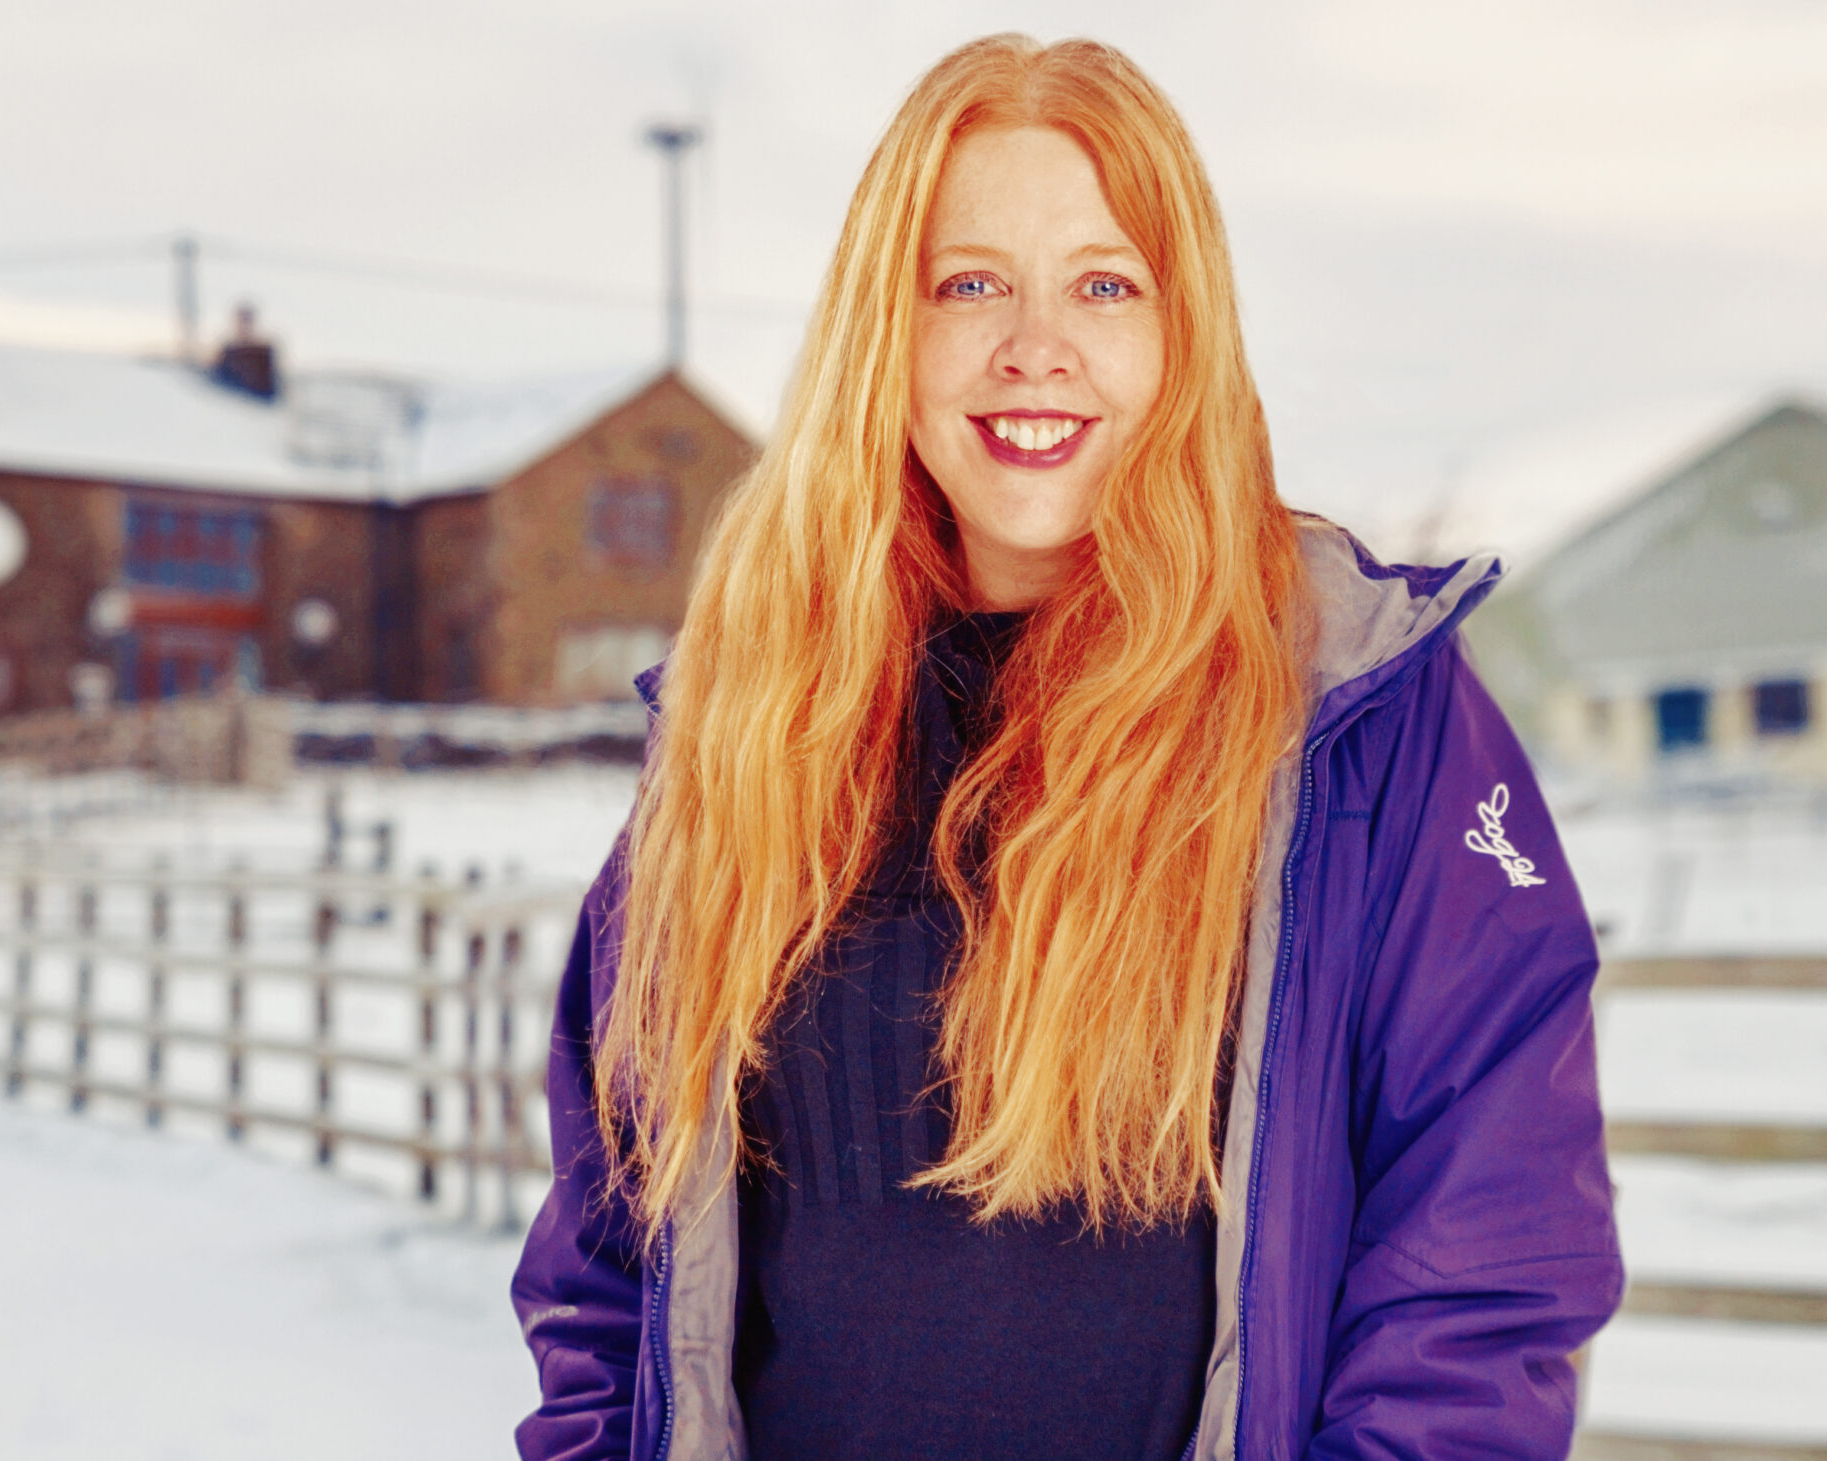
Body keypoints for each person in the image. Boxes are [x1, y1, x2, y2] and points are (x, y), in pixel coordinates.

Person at [511, 33, 1621, 1461]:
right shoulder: (749, 729)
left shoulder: (1366, 718)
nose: (1034, 345)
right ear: (884, 333)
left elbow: (1489, 1256)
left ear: (1184, 333)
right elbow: (612, 1264)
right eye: (968, 283)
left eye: (1105, 284)